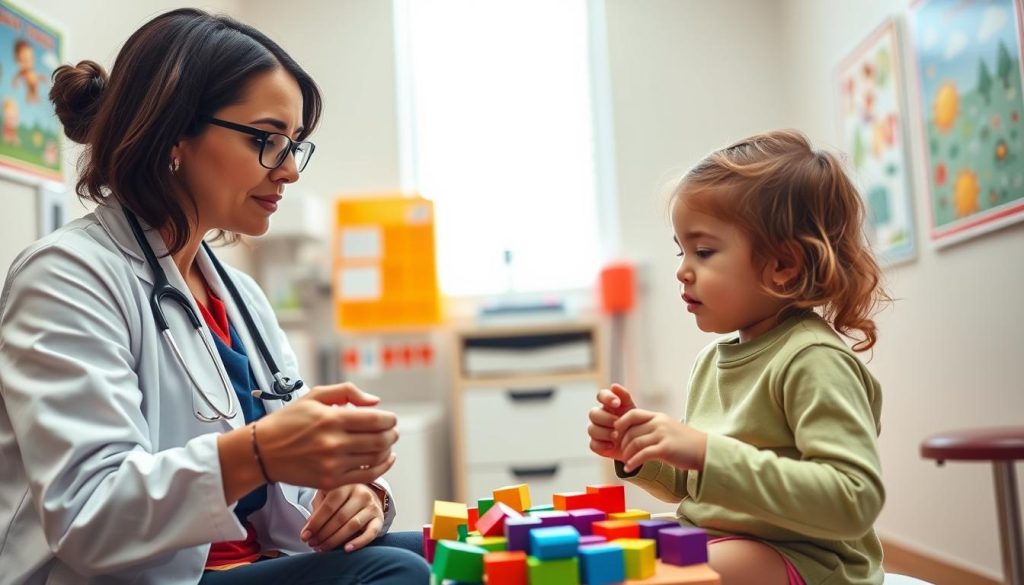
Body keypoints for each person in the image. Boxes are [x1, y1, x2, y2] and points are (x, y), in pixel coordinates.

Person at [0, 9, 430, 585]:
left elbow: (294, 496)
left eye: (294, 145)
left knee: (448, 551)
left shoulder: (239, 297)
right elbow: (88, 517)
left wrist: (355, 494)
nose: (289, 171)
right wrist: (258, 454)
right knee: (388, 575)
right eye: (267, 139)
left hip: (245, 562)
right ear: (174, 133)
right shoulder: (66, 276)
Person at [588, 130, 889, 585]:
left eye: (704, 251)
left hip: (808, 560)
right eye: (681, 249)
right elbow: (701, 487)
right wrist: (641, 451)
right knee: (613, 558)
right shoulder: (713, 361)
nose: (682, 269)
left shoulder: (813, 360)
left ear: (782, 265)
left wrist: (707, 453)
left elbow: (854, 499)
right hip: (725, 540)